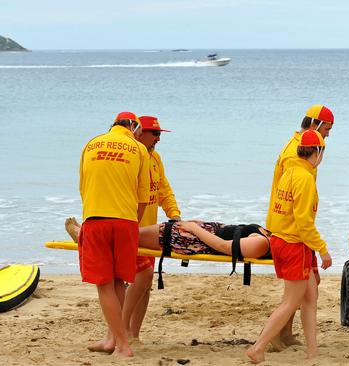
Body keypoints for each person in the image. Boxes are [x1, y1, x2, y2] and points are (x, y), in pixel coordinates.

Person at [247, 130, 333, 363]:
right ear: (318, 152)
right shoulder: (305, 178)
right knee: (291, 301)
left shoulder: (290, 172)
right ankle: (258, 347)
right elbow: (304, 222)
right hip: (294, 243)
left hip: (283, 240)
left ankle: (312, 351)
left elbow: (278, 212)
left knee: (310, 295)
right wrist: (322, 249)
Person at [77, 111, 150, 358]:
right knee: (118, 281)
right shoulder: (138, 149)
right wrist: (133, 222)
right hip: (126, 221)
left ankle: (122, 345)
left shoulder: (91, 144)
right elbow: (144, 198)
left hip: (97, 217)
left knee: (104, 285)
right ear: (134, 127)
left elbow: (83, 187)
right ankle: (112, 340)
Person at [266, 104, 334, 350]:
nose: (328, 135)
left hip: (290, 226)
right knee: (301, 289)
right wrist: (320, 246)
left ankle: (284, 332)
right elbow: (297, 206)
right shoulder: (296, 156)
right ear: (315, 123)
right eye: (326, 129)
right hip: (293, 230)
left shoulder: (299, 145)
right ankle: (271, 337)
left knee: (305, 287)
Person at [123, 115, 181, 341]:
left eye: (159, 134)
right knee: (144, 276)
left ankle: (134, 334)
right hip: (131, 228)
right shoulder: (131, 158)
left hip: (152, 231)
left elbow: (164, 190)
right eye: (155, 134)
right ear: (139, 133)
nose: (158, 139)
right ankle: (121, 330)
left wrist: (174, 215)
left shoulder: (155, 158)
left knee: (145, 283)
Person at [66, 218, 271, 259]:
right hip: (196, 232)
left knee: (131, 237)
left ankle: (85, 237)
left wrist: (193, 228)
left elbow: (223, 245)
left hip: (189, 239)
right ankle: (88, 235)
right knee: (130, 235)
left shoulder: (262, 244)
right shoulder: (268, 234)